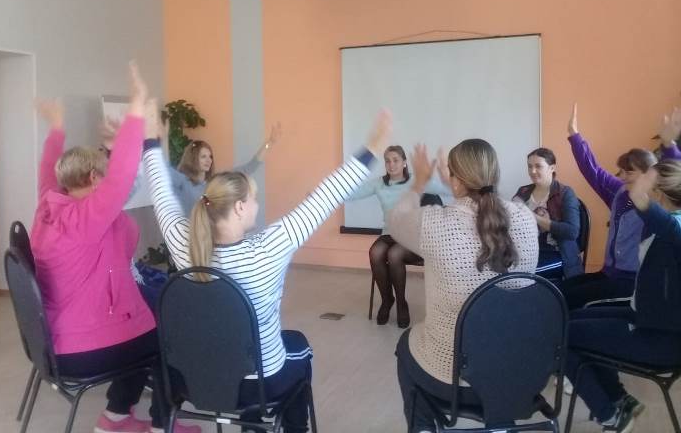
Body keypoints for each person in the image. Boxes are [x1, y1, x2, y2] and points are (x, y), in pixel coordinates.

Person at [143, 106, 393, 432]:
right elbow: (326, 197)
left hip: (190, 379)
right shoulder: (269, 248)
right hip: (257, 386)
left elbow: (160, 193)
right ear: (239, 207)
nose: (258, 205)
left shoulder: (181, 243)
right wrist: (372, 148)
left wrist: (149, 141)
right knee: (299, 347)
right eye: (254, 199)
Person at [30, 63, 200, 433]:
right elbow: (121, 177)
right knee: (168, 337)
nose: (109, 178)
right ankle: (162, 425)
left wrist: (57, 129)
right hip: (83, 347)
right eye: (102, 173)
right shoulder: (87, 217)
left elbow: (47, 168)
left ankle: (116, 418)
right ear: (94, 178)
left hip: (60, 338)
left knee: (144, 320)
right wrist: (136, 111)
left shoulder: (49, 205)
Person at [388, 141, 539, 433]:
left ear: (456, 180)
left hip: (455, 377)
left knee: (405, 346)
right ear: (494, 174)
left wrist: (418, 183)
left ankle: (423, 428)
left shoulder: (436, 224)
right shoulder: (525, 218)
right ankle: (499, 424)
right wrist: (456, 185)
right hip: (518, 374)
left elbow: (396, 220)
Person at [564, 159, 681, 433]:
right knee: (572, 319)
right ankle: (619, 401)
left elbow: (665, 223)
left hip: (659, 338)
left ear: (658, 193)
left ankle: (610, 413)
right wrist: (666, 155)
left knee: (560, 335)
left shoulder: (679, 228)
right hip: (652, 320)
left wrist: (641, 190)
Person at [558, 104, 681, 309]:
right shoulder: (620, 193)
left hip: (631, 282)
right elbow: (593, 171)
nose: (623, 176)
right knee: (558, 291)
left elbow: (676, 177)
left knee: (570, 301)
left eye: (630, 172)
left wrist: (669, 144)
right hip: (608, 274)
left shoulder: (655, 204)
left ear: (649, 174)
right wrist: (575, 136)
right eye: (622, 171)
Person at [350, 145, 450, 327]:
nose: (391, 164)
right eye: (387, 161)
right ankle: (387, 300)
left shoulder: (417, 181)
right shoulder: (379, 184)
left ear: (404, 162)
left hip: (411, 236)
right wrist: (324, 196)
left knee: (394, 254)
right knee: (375, 253)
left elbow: (448, 190)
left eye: (395, 160)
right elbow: (352, 193)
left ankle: (402, 303)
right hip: (389, 233)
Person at [169, 123, 281, 216]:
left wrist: (269, 143)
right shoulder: (183, 183)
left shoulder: (215, 182)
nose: (209, 160)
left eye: (210, 156)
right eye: (203, 156)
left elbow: (250, 167)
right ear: (193, 158)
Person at [513, 147, 584, 279]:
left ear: (552, 168)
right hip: (526, 251)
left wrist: (532, 217)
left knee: (520, 274)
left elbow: (572, 231)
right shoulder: (523, 192)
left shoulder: (565, 193)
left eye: (538, 166)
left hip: (557, 253)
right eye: (529, 166)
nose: (532, 171)